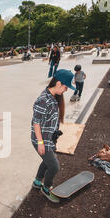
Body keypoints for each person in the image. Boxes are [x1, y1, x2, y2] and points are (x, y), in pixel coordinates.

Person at [31, 70, 76, 203]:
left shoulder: (54, 97)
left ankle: (37, 182)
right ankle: (46, 188)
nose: (66, 90)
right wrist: (40, 143)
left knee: (47, 162)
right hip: (41, 140)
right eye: (65, 87)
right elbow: (36, 122)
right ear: (58, 83)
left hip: (49, 138)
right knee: (54, 166)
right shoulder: (43, 100)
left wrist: (54, 132)